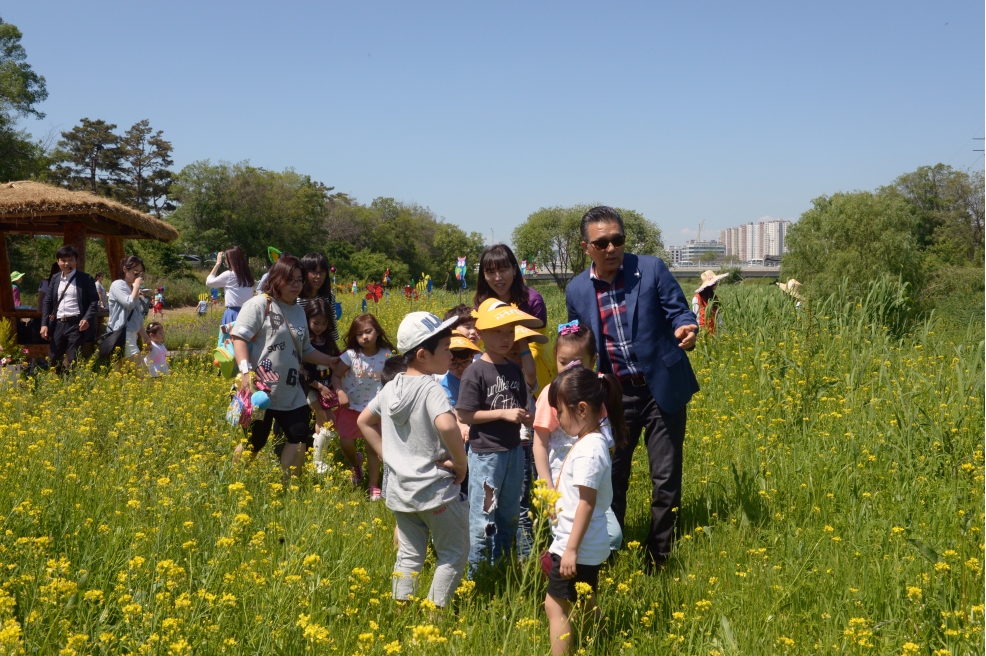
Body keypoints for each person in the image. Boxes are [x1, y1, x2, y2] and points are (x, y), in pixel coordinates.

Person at [565, 206, 699, 571]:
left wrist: (687, 327)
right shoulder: (577, 289)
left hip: (661, 389)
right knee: (611, 477)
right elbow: (579, 342)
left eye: (618, 240)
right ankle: (607, 550)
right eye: (601, 242)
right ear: (586, 247)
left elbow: (678, 311)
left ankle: (660, 555)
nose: (611, 248)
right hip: (613, 395)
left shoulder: (651, 269)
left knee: (665, 476)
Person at [356, 311, 467, 609]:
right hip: (437, 492)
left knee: (408, 554)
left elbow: (364, 421)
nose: (451, 353)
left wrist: (387, 454)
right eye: (446, 348)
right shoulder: (431, 387)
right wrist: (461, 462)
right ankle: (435, 614)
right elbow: (446, 424)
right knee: (453, 554)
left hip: (401, 493)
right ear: (422, 355)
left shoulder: (391, 387)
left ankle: (402, 609)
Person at [543, 366, 628, 656]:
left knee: (555, 606)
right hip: (584, 543)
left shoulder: (590, 449)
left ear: (581, 409)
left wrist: (570, 550)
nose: (557, 418)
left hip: (575, 544)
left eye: (560, 412)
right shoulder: (590, 441)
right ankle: (600, 631)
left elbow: (586, 503)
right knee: (584, 596)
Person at [230, 254, 338, 481]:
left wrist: (330, 360)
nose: (296, 285)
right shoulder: (260, 304)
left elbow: (305, 349)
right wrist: (245, 371)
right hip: (261, 388)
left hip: (291, 388)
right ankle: (233, 480)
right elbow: (239, 336)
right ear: (276, 278)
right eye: (291, 280)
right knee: (255, 441)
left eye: (299, 280)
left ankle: (289, 486)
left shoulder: (298, 310)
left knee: (299, 435)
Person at [455, 298, 542, 571]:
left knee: (509, 515)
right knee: (484, 517)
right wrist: (502, 415)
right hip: (487, 456)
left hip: (514, 452)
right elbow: (465, 415)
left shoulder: (513, 368)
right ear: (481, 335)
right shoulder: (475, 371)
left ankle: (500, 568)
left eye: (509, 332)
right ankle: (476, 575)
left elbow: (519, 405)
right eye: (497, 332)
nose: (505, 339)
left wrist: (526, 416)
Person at [533, 321, 622, 552]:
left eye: (577, 362)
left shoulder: (595, 392)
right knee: (571, 537)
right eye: (563, 362)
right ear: (554, 356)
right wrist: (548, 489)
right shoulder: (552, 394)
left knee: (608, 535)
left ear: (594, 360)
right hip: (563, 482)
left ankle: (583, 569)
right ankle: (561, 568)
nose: (569, 368)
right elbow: (539, 444)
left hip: (590, 479)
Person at [332, 314, 396, 499]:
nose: (365, 337)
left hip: (376, 409)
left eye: (368, 332)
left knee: (373, 448)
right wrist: (340, 392)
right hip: (351, 406)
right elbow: (336, 376)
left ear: (377, 331)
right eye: (359, 334)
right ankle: (355, 463)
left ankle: (373, 486)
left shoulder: (387, 354)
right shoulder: (351, 355)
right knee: (346, 442)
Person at [475, 244, 551, 393]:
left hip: (533, 366)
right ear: (483, 275)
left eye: (503, 270)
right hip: (496, 366)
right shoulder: (482, 302)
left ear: (514, 269)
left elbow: (538, 344)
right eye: (490, 272)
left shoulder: (533, 300)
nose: (498, 277)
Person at [506, 324, 547, 559]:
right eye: (512, 354)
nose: (518, 360)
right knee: (512, 501)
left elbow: (530, 370)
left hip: (525, 445)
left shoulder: (526, 379)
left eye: (520, 355)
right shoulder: (497, 375)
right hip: (504, 446)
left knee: (523, 501)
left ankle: (525, 553)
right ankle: (515, 549)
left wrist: (521, 340)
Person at [39, 246, 100, 372]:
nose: (67, 263)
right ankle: (61, 383)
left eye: (71, 260)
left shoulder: (85, 279)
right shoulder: (55, 279)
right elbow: (48, 302)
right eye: (63, 260)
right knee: (53, 359)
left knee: (74, 360)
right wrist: (44, 324)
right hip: (59, 323)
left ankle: (72, 386)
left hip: (77, 324)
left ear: (76, 261)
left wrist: (87, 318)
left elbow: (94, 301)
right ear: (58, 262)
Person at [303, 298, 341, 474]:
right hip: (311, 389)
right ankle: (318, 460)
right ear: (307, 319)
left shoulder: (327, 340)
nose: (319, 327)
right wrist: (320, 387)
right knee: (329, 421)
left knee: (321, 422)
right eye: (315, 323)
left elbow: (337, 359)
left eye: (324, 323)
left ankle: (318, 461)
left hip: (326, 388)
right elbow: (303, 371)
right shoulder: (305, 341)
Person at [441, 334, 482, 493]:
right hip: (461, 432)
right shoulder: (447, 383)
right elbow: (454, 409)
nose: (459, 368)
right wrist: (463, 426)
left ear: (472, 357)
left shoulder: (477, 373)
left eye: (464, 362)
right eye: (454, 364)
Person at [106, 256, 150, 367]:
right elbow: (129, 304)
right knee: (142, 373)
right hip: (122, 335)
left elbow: (137, 317)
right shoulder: (118, 285)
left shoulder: (131, 288)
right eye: (136, 273)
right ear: (125, 269)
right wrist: (136, 287)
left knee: (119, 375)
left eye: (141, 273)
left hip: (131, 335)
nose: (139, 277)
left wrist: (145, 337)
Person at [207, 245, 256, 325]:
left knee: (231, 337)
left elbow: (209, 282)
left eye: (226, 258)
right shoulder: (248, 276)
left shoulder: (229, 275)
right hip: (248, 314)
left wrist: (218, 263)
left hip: (233, 313)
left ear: (230, 260)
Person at [297, 252, 340, 342]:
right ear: (304, 273)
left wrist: (334, 350)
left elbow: (331, 325)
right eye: (313, 272)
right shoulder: (295, 297)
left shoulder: (329, 296)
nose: (318, 276)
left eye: (322, 272)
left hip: (322, 346)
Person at [692, 270, 728, 335]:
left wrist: (720, 327)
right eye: (716, 282)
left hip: (715, 331)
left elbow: (718, 314)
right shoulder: (697, 298)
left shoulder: (714, 297)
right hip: (703, 332)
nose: (717, 283)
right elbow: (696, 316)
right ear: (712, 284)